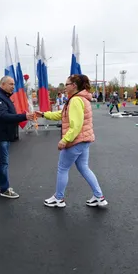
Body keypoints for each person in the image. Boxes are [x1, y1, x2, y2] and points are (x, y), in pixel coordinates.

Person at [35, 74, 108, 208]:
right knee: (84, 168)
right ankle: (99, 196)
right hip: (84, 140)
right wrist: (44, 114)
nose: (65, 86)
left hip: (76, 140)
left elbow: (76, 125)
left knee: (62, 168)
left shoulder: (75, 100)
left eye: (67, 84)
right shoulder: (80, 99)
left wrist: (65, 140)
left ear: (74, 86)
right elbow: (61, 115)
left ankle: (59, 198)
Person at [0, 76, 34, 199]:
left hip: (4, 134)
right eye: (10, 84)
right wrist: (24, 116)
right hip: (0, 135)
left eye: (14, 84)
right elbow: (4, 116)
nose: (13, 86)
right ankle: (4, 189)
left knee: (1, 160)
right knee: (4, 162)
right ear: (2, 84)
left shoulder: (3, 96)